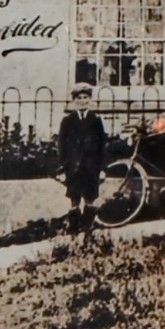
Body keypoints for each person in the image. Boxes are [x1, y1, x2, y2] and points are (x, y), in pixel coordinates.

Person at [57, 83, 107, 231]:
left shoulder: (96, 120)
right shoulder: (68, 121)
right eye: (79, 98)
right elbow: (61, 146)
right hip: (73, 166)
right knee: (74, 197)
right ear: (74, 100)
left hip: (92, 166)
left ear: (90, 99)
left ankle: (88, 228)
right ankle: (73, 228)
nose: (83, 101)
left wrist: (102, 169)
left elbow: (102, 146)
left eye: (86, 98)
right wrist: (61, 169)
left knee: (90, 197)